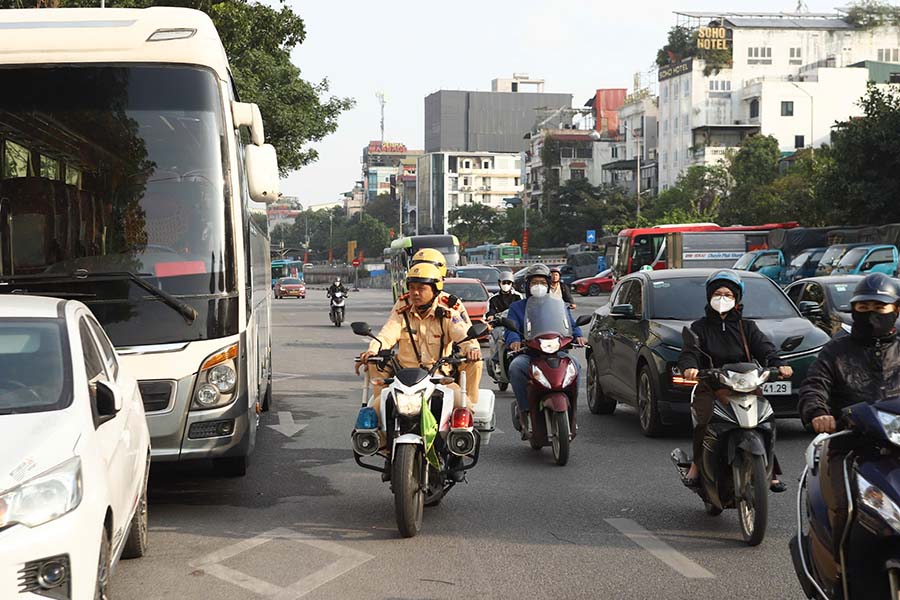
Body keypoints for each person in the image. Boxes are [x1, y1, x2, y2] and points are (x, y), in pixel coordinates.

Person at [799, 273, 900, 557]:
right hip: (850, 445)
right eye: (863, 308)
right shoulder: (836, 350)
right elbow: (814, 386)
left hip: (897, 445)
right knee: (846, 511)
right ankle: (843, 568)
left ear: (896, 310)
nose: (871, 316)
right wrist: (818, 412)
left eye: (879, 309)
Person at [678, 270, 792, 490]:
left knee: (765, 419)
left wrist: (779, 364)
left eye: (728, 294)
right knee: (704, 420)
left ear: (737, 299)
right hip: (712, 386)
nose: (723, 298)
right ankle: (697, 465)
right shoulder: (699, 328)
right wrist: (690, 368)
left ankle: (770, 469)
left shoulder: (747, 327)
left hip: (746, 384)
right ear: (709, 296)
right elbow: (689, 352)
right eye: (718, 293)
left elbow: (765, 349)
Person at [356, 262, 483, 413]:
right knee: (374, 416)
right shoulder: (402, 312)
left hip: (439, 380)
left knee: (465, 412)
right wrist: (372, 350)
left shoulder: (447, 314)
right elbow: (387, 334)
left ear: (435, 290)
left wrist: (472, 349)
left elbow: (463, 334)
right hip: (403, 381)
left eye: (421, 288)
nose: (415, 293)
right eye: (412, 288)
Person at [505, 264, 586, 430]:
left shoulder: (559, 305)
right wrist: (514, 340)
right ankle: (525, 411)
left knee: (575, 366)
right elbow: (510, 328)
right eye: (534, 282)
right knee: (516, 367)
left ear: (549, 284)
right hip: (530, 353)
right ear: (527, 285)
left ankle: (572, 411)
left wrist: (578, 336)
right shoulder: (517, 307)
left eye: (542, 282)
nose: (538, 285)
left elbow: (570, 324)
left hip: (557, 352)